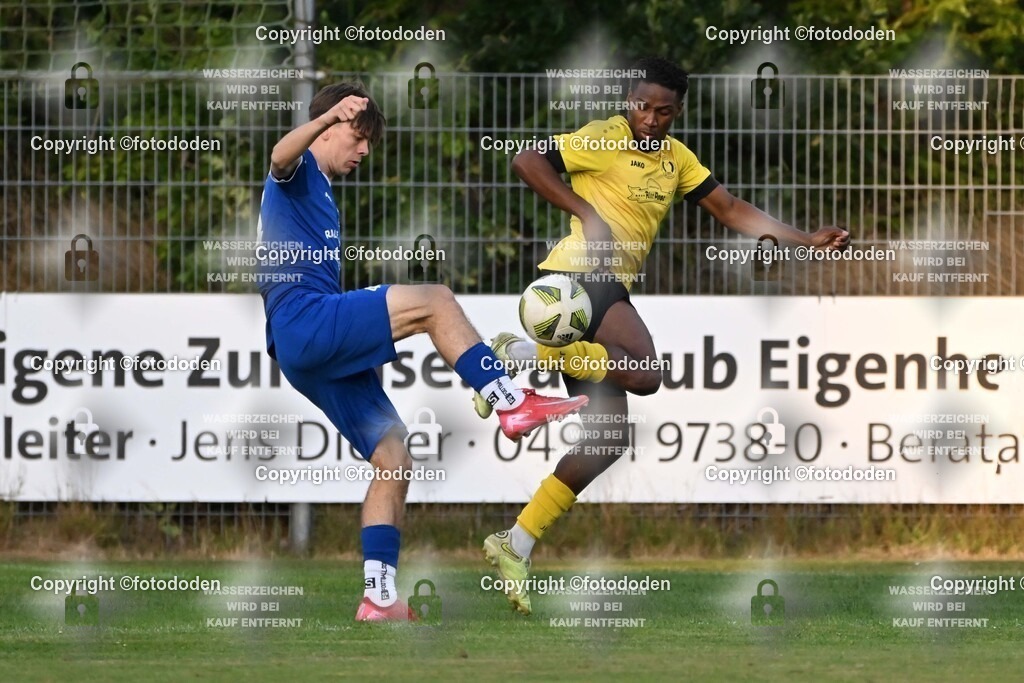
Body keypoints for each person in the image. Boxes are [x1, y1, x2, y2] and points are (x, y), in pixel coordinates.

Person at [480, 57, 849, 615]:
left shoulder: (676, 159)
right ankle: (526, 350)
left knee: (606, 441)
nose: (650, 118)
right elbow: (526, 159)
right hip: (577, 277)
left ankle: (517, 542)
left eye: (663, 110)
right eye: (642, 106)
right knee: (648, 372)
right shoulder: (604, 137)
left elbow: (728, 208)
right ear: (627, 101)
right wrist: (586, 211)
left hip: (605, 286)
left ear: (678, 111)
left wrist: (802, 240)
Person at [257, 83, 588, 622]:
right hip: (305, 322)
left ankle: (378, 598)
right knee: (435, 301)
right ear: (332, 123)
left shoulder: (320, 192)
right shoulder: (299, 175)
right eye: (359, 138)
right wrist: (321, 121)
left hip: (299, 346)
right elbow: (278, 156)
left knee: (393, 457)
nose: (365, 151)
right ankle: (509, 401)